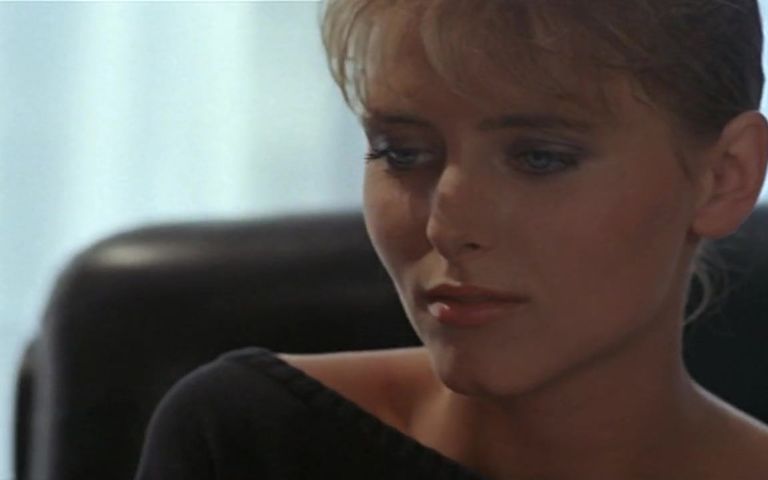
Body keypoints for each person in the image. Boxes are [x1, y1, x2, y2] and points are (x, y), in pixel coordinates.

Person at [134, 1, 768, 479]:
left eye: (540, 158)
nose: (447, 227)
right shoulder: (252, 441)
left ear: (724, 178)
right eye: (401, 152)